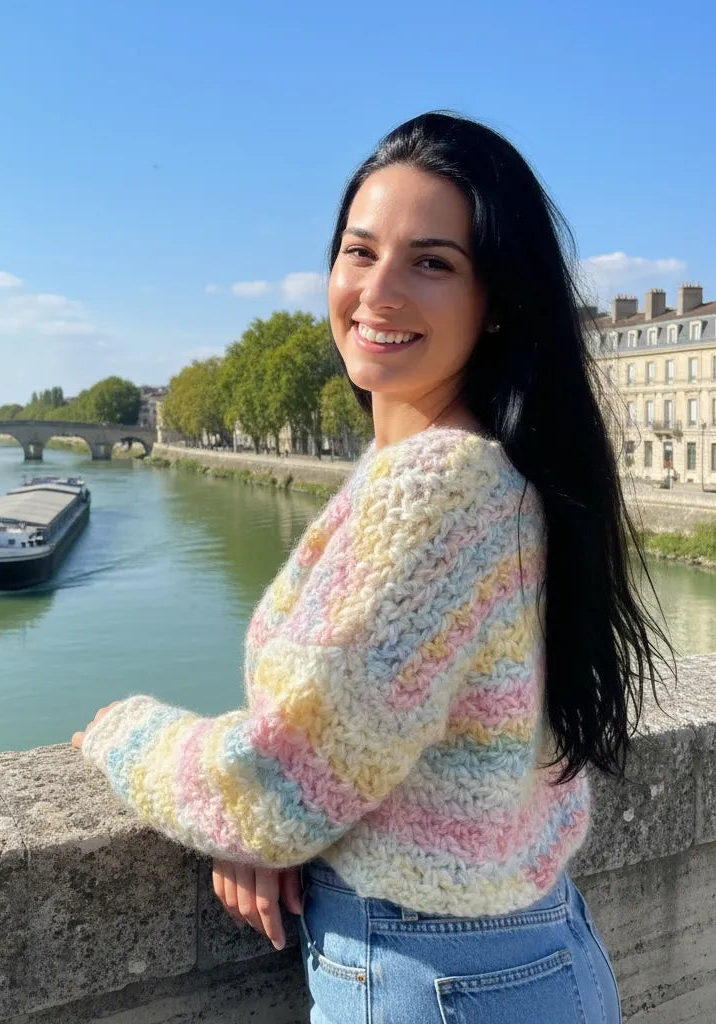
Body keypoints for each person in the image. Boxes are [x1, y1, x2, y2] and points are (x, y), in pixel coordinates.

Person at [71, 111, 673, 1022]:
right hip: (526, 957)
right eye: (359, 253)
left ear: (496, 298)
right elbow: (369, 727)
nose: (377, 291)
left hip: (430, 981)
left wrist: (124, 731)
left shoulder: (439, 492)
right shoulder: (506, 475)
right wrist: (285, 811)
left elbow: (272, 791)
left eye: (432, 262)